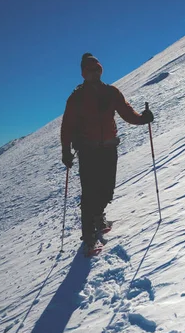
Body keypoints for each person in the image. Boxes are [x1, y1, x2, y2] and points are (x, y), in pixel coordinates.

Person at [61, 53, 154, 252]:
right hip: (88, 150)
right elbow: (67, 126)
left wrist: (142, 119)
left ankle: (98, 217)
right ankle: (88, 236)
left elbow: (127, 113)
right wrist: (65, 151)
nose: (94, 73)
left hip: (109, 148)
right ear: (84, 74)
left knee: (107, 188)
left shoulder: (111, 93)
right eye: (90, 71)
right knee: (89, 192)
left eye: (97, 69)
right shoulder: (77, 97)